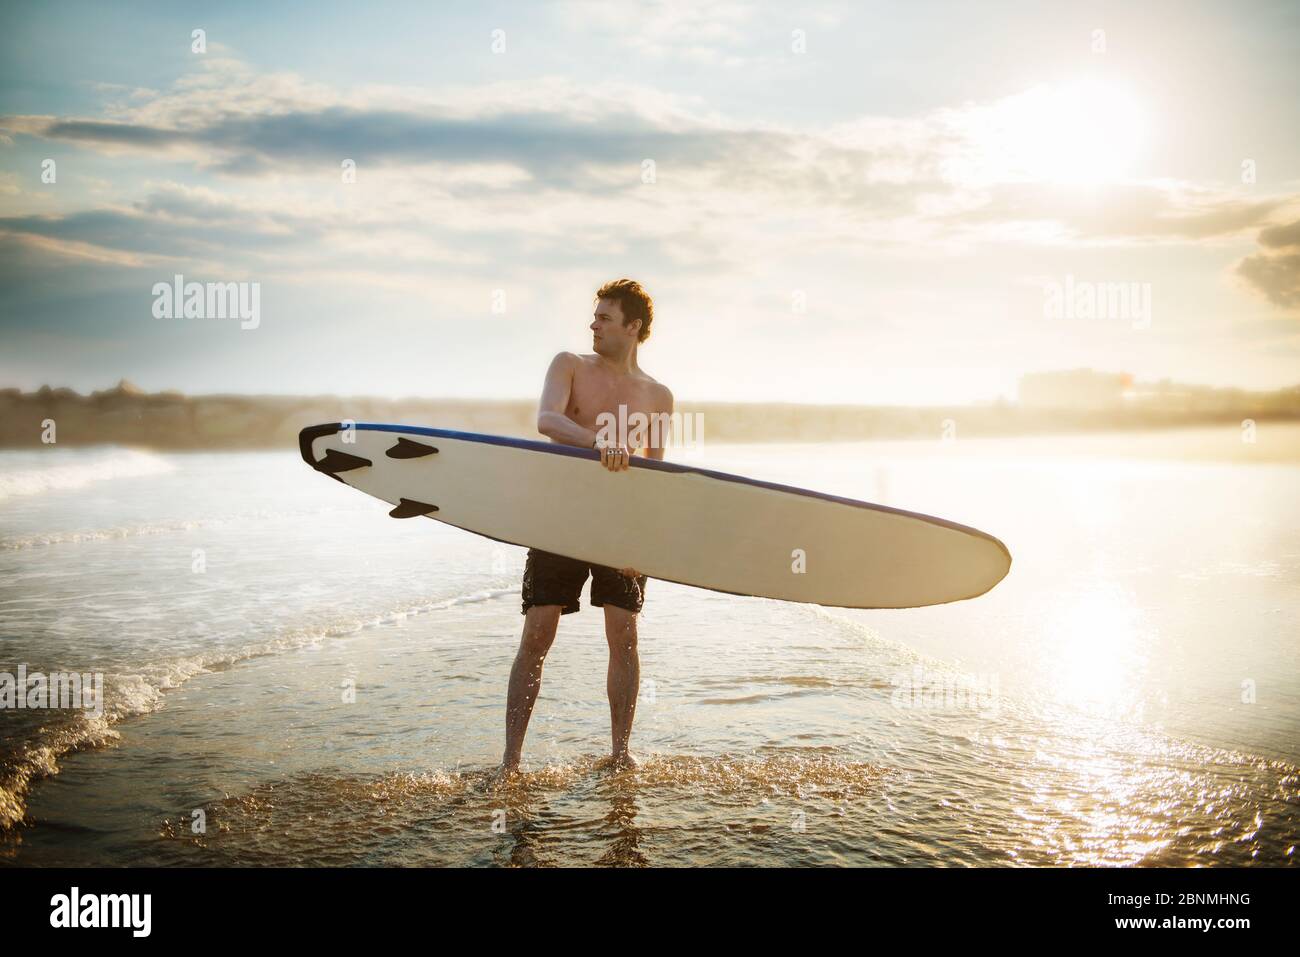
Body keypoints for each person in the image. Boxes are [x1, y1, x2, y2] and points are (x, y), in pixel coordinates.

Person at [492, 279, 673, 785]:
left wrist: (647, 545)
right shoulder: (569, 363)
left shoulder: (658, 395)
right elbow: (548, 419)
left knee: (624, 635)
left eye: (605, 318)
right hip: (561, 515)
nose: (593, 324)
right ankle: (511, 762)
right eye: (594, 317)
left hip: (621, 524)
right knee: (538, 631)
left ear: (633, 327)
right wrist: (599, 441)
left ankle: (620, 755)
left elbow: (657, 472)